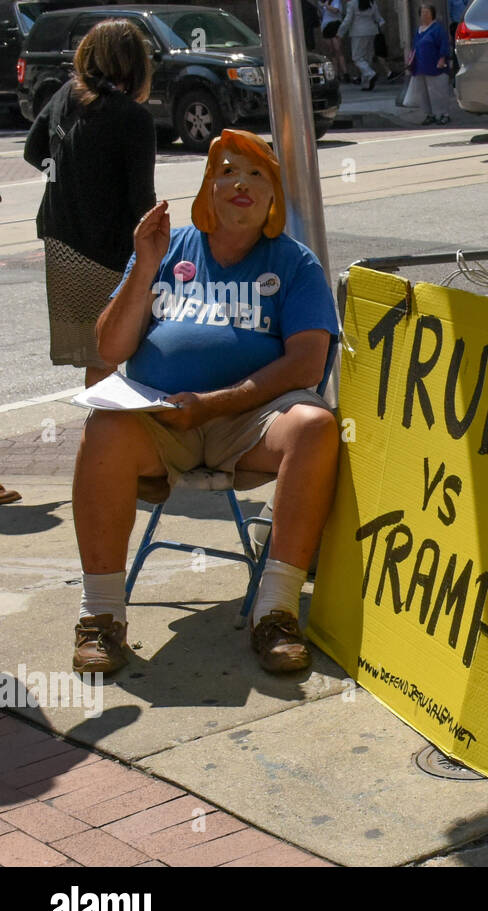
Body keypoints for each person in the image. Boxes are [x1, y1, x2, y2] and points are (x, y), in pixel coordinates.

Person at [72, 129, 340, 676]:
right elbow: (109, 348)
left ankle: (276, 614)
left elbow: (307, 363)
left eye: (256, 174)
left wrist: (215, 404)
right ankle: (100, 617)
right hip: (160, 419)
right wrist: (145, 264)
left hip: (250, 424)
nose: (240, 183)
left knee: (316, 426)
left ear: (273, 198)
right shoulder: (168, 252)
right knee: (102, 427)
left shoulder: (295, 264)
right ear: (206, 188)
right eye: (226, 172)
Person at [24, 20, 156, 388]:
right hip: (111, 249)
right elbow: (142, 197)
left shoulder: (65, 94)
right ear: (135, 63)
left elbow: (33, 150)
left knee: (97, 353)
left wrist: (68, 174)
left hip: (62, 239)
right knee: (118, 347)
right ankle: (110, 435)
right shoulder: (133, 117)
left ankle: (107, 431)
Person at [406, 3, 451, 125]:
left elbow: (444, 45)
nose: (424, 15)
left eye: (427, 12)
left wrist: (442, 59)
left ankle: (443, 114)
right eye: (422, 12)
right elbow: (414, 47)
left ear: (432, 14)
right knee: (423, 94)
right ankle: (429, 114)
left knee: (438, 92)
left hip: (436, 66)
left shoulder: (437, 29)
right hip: (421, 67)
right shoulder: (418, 30)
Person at [339, 0, 383, 90]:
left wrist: (340, 32)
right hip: (372, 31)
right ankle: (366, 83)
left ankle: (370, 74)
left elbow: (348, 20)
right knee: (367, 57)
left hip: (358, 32)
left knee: (357, 58)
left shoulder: (352, 4)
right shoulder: (372, 2)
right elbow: (378, 18)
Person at [319, 0, 348, 82]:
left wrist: (325, 6)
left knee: (338, 50)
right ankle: (336, 74)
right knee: (331, 52)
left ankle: (345, 73)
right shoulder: (322, 2)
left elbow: (335, 10)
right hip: (325, 27)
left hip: (335, 25)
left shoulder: (335, 1)